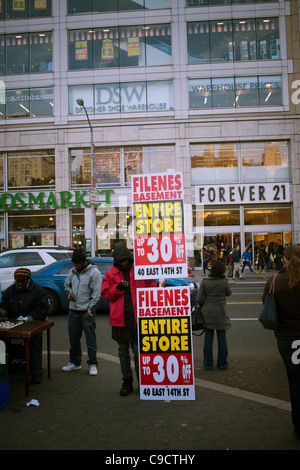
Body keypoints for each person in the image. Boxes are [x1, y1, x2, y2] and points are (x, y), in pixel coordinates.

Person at [101, 242, 157, 396]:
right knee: (123, 352)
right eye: (120, 261)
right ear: (116, 261)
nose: (123, 263)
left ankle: (143, 383)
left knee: (138, 352)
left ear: (129, 257)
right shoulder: (110, 273)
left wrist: (152, 292)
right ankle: (127, 381)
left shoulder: (140, 269)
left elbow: (151, 283)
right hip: (120, 320)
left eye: (125, 260)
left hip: (138, 319)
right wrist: (118, 288)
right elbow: (105, 294)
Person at [262, 245, 300, 438]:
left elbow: (266, 304)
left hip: (286, 339)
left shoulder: (275, 281)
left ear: (284, 260)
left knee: (294, 383)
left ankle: (298, 425)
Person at [0, 267, 49, 384]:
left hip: (32, 322)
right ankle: (3, 369)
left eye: (22, 281)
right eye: (17, 281)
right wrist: (3, 311)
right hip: (14, 322)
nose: (20, 283)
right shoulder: (11, 290)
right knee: (2, 342)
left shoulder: (38, 291)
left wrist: (29, 318)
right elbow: (4, 305)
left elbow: (43, 309)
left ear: (28, 279)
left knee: (33, 342)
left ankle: (36, 372)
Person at [62, 249, 102, 376]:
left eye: (78, 265)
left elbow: (97, 294)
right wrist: (69, 294)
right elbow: (66, 285)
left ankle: (92, 364)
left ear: (84, 262)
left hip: (86, 312)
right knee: (73, 339)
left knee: (90, 340)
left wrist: (90, 311)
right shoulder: (72, 271)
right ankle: (75, 362)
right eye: (74, 264)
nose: (76, 267)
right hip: (73, 311)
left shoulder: (94, 272)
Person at [196, 261, 232, 370]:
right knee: (222, 338)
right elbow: (228, 293)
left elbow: (199, 299)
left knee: (208, 338)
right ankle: (222, 363)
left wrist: (204, 303)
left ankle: (208, 364)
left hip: (207, 313)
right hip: (221, 313)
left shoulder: (205, 281)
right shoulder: (224, 282)